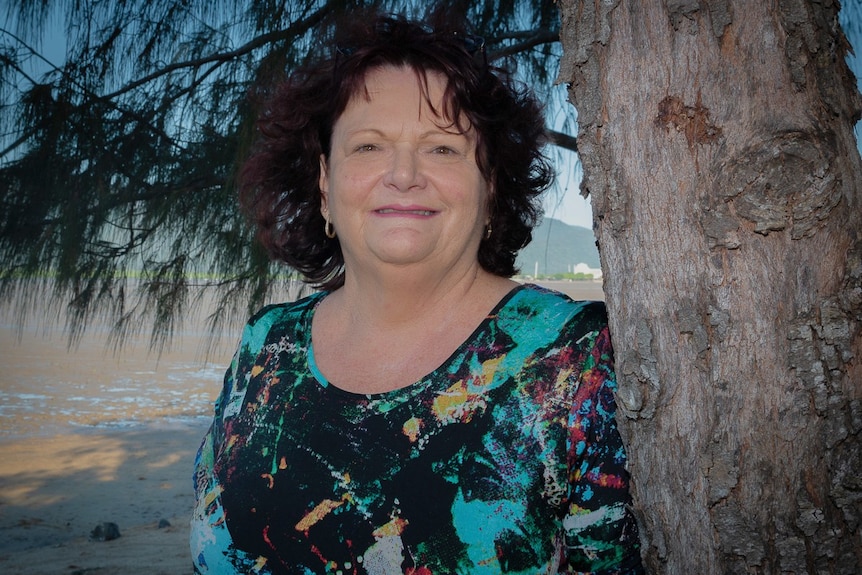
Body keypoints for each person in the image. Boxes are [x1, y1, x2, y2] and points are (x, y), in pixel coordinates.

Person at [191, 8, 643, 575]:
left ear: (490, 187)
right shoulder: (266, 346)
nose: (404, 173)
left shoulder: (576, 364)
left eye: (443, 148)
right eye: (369, 147)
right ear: (325, 186)